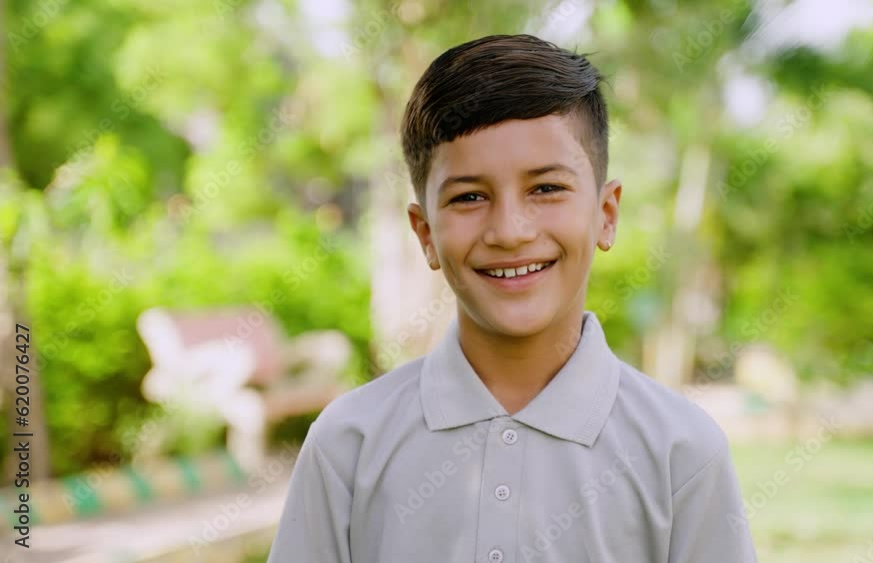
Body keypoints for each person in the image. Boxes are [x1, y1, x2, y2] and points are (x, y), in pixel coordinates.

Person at [267, 33, 758, 562]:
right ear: (425, 232)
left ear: (606, 214)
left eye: (545, 188)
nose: (510, 230)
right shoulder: (348, 445)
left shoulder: (681, 453)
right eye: (469, 197)